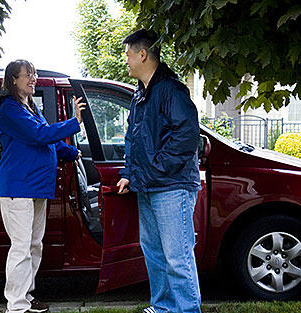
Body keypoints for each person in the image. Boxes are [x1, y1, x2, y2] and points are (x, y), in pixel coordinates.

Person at [116, 29, 202, 313]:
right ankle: (164, 307)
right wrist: (129, 173)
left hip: (171, 186)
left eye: (128, 54)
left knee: (177, 257)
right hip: (148, 185)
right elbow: (132, 138)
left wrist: (154, 168)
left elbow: (187, 137)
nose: (126, 60)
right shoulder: (139, 95)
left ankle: (187, 310)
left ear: (143, 54)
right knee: (154, 253)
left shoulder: (171, 90)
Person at [0, 59, 85, 313]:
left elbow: (49, 140)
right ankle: (16, 306)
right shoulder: (10, 109)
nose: (33, 79)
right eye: (28, 75)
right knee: (22, 247)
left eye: (34, 75)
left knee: (34, 245)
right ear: (14, 79)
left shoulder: (30, 107)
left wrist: (70, 152)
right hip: (18, 189)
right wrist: (74, 122)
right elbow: (39, 136)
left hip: (35, 188)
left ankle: (26, 296)